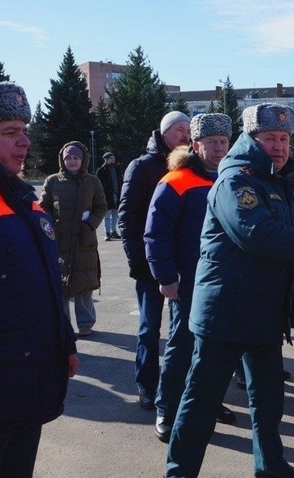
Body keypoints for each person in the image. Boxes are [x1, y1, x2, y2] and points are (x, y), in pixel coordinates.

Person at [166, 103, 294, 478]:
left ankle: (271, 466)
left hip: (265, 309)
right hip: (226, 312)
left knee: (267, 399)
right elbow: (257, 234)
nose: (278, 146)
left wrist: (292, 297)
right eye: (269, 138)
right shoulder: (236, 180)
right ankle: (179, 473)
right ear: (251, 139)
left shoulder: (282, 180)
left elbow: (282, 251)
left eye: (283, 138)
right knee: (201, 402)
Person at [0, 78, 79, 476]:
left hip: (24, 392)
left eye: (25, 131)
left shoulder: (21, 197)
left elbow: (47, 282)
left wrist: (65, 341)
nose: (25, 142)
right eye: (10, 132)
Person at [144, 113, 236, 443]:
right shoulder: (176, 181)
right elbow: (156, 234)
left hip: (226, 283)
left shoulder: (233, 177)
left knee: (217, 351)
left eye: (224, 142)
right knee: (181, 348)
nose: (218, 148)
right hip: (187, 283)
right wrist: (166, 277)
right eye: (211, 142)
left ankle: (209, 404)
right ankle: (167, 410)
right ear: (195, 145)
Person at [118, 110, 191, 410]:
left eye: (188, 130)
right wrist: (137, 261)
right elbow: (127, 218)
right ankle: (147, 385)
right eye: (179, 130)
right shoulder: (142, 167)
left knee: (181, 330)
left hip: (181, 264)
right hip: (149, 265)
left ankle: (177, 385)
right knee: (149, 329)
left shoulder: (190, 167)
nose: (186, 136)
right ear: (164, 133)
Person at [39, 141, 107, 337]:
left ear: (83, 159)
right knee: (60, 284)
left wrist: (90, 225)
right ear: (62, 159)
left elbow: (101, 207)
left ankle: (85, 324)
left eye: (76, 157)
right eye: (68, 157)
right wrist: (51, 226)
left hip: (84, 240)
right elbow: (44, 207)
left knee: (84, 282)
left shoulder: (93, 182)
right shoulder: (52, 181)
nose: (72, 161)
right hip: (59, 240)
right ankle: (63, 324)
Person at [96, 151, 122, 241]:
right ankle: (107, 233)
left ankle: (113, 232)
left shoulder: (116, 169)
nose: (113, 160)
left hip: (116, 194)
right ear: (106, 159)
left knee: (115, 214)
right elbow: (98, 184)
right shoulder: (101, 170)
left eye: (113, 158)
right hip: (106, 195)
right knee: (107, 215)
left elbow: (120, 181)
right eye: (111, 158)